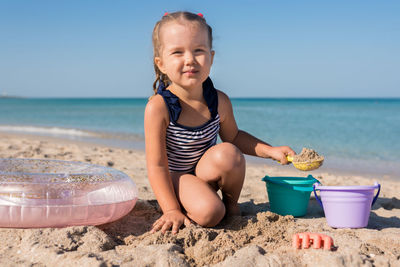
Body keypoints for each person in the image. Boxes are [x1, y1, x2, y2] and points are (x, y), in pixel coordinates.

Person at [144, 11, 295, 234]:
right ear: (161, 63)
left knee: (228, 152)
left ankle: (231, 205)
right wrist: (170, 209)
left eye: (199, 50)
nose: (190, 59)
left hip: (204, 173)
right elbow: (157, 166)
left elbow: (234, 137)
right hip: (176, 178)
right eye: (177, 52)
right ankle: (191, 204)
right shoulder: (159, 107)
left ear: (211, 57)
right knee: (210, 213)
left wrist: (270, 151)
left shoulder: (219, 101)